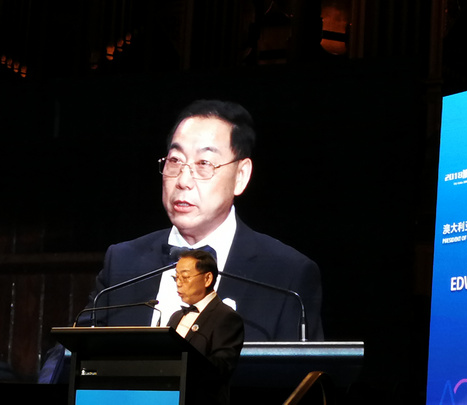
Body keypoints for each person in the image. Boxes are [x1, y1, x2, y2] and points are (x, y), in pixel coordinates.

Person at [85, 99, 324, 342]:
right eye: (175, 161)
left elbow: (298, 365)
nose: (183, 181)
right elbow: (75, 352)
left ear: (241, 176)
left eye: (204, 164)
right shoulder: (123, 263)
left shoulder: (286, 275)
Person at [167, 248, 244, 405]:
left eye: (185, 277)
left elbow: (221, 368)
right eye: (176, 277)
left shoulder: (226, 317)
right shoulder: (176, 316)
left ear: (207, 278)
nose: (178, 284)